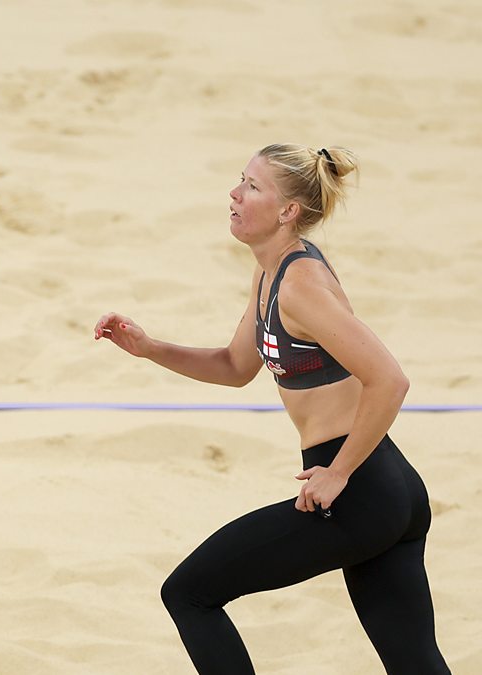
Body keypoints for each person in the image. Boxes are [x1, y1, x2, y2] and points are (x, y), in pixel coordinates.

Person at [94, 145, 450, 674]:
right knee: (414, 663)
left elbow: (390, 380)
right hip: (384, 489)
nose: (235, 194)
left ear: (288, 212)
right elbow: (236, 366)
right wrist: (151, 348)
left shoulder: (301, 284)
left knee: (190, 593)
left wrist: (337, 473)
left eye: (253, 187)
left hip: (358, 488)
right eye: (241, 180)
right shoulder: (271, 273)